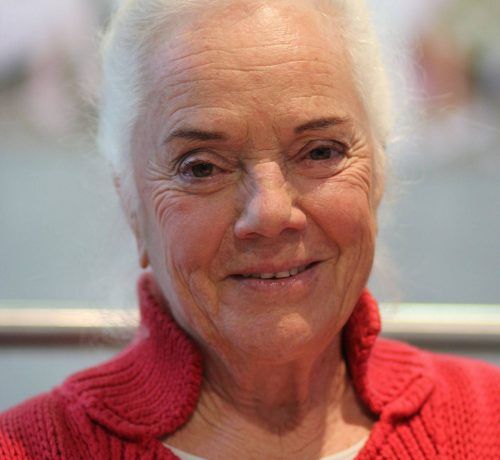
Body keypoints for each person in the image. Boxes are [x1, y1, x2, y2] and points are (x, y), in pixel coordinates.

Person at [0, 0, 498, 459]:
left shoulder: (485, 425)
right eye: (201, 167)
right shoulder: (32, 448)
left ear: (379, 175)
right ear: (132, 203)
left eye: (320, 151)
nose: (270, 213)